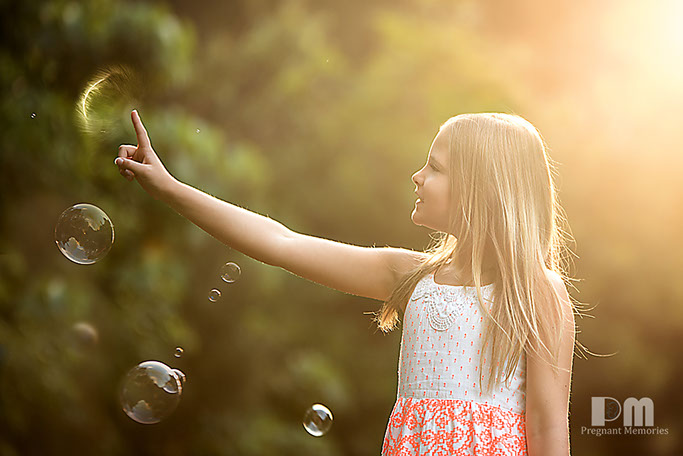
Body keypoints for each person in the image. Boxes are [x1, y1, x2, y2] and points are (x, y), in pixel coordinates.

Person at [115, 110, 577, 455]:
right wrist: (170, 188)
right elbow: (281, 243)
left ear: (480, 188)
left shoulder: (535, 292)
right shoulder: (412, 278)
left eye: (434, 168)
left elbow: (547, 427)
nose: (417, 177)